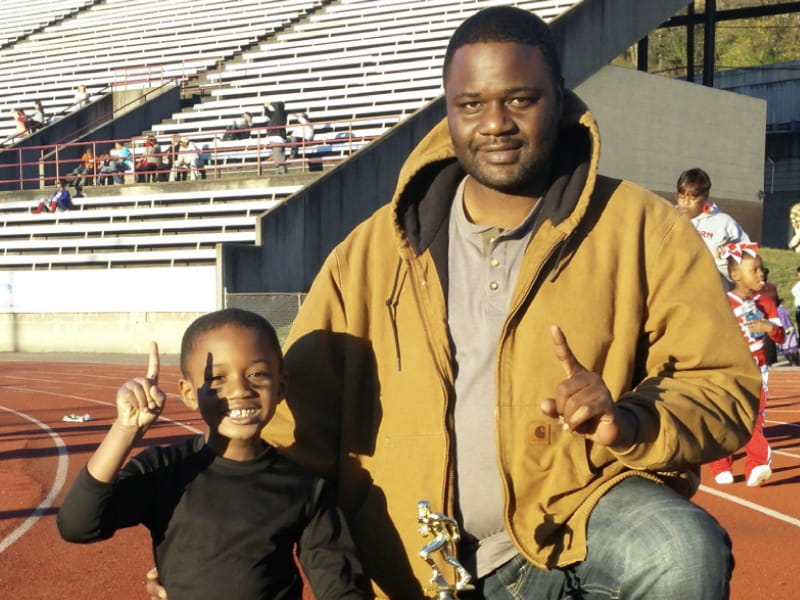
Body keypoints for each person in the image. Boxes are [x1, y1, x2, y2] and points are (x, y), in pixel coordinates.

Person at [148, 7, 761, 599]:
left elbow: (721, 387)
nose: (495, 123)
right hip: (414, 563)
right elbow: (288, 432)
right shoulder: (369, 256)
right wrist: (195, 552)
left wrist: (627, 419)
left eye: (520, 99)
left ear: (560, 97)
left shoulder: (643, 232)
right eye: (471, 104)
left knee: (679, 550)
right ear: (449, 111)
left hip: (572, 529)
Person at [58, 308, 369, 600]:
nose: (240, 390)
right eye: (217, 378)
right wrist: (125, 429)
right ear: (189, 394)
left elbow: (340, 587)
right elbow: (78, 525)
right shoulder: (164, 470)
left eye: (257, 374)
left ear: (281, 386)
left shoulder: (305, 487)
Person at [708, 243, 784, 487]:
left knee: (755, 417)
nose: (761, 274)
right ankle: (721, 462)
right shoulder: (722, 302)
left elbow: (781, 337)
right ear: (736, 276)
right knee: (725, 416)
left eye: (762, 269)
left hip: (757, 369)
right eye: (755, 270)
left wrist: (770, 328)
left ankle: (757, 464)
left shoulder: (767, 303)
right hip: (729, 371)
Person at [675, 167, 750, 284]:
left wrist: (722, 261)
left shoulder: (725, 224)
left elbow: (747, 271)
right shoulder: (667, 220)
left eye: (692, 198)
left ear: (705, 196)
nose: (685, 203)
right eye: (681, 197)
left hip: (712, 295)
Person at [264, 101, 288, 173]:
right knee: (280, 154)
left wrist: (270, 103)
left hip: (276, 136)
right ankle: (282, 170)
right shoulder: (279, 114)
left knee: (277, 154)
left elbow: (277, 107)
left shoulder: (280, 113)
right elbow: (267, 113)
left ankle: (280, 170)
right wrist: (265, 107)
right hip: (279, 136)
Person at [775, 296, 799, 366]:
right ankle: (797, 361)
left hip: (783, 332)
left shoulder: (775, 312)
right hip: (791, 329)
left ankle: (792, 361)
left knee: (784, 348)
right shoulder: (783, 310)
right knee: (793, 346)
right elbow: (788, 315)